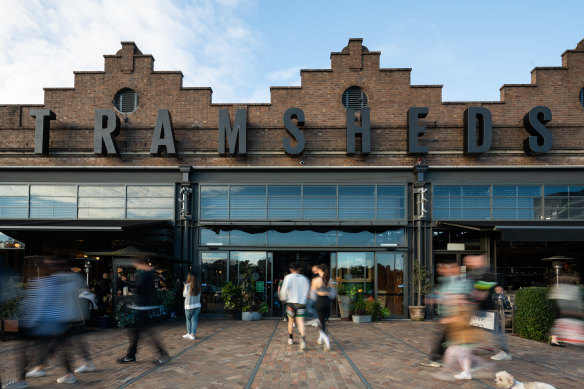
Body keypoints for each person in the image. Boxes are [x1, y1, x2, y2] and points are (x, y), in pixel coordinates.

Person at [117, 259, 170, 364]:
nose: (136, 267)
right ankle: (131, 355)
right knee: (136, 332)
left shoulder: (147, 274)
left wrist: (125, 281)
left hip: (144, 308)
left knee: (146, 333)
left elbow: (139, 287)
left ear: (141, 264)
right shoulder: (149, 274)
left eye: (137, 265)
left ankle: (163, 354)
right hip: (143, 307)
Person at [464, 254, 512, 361]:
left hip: (483, 308)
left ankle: (505, 352)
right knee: (470, 327)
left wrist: (469, 295)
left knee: (496, 329)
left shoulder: (486, 274)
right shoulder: (475, 273)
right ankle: (470, 349)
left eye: (471, 261)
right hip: (478, 308)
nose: (468, 263)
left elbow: (482, 294)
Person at [279, 262, 310, 350]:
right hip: (301, 304)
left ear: (291, 269)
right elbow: (307, 292)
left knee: (291, 321)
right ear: (300, 269)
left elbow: (284, 290)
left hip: (291, 303)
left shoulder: (288, 277)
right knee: (300, 322)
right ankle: (303, 340)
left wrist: (283, 298)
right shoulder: (304, 279)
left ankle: (290, 339)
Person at [549, 273, 584, 347]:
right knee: (560, 321)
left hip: (561, 304)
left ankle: (554, 340)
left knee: (559, 321)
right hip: (564, 306)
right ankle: (554, 340)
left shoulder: (561, 285)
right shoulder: (570, 286)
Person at [311, 263, 334, 351]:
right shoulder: (330, 280)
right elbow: (333, 293)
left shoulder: (316, 280)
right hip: (327, 302)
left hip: (319, 301)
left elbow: (312, 294)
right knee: (323, 321)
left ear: (320, 270)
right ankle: (320, 339)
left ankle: (327, 341)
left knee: (321, 323)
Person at [182, 272, 202, 340]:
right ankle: (192, 334)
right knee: (194, 320)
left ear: (189, 278)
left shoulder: (187, 285)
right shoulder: (199, 286)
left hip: (189, 306)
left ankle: (189, 333)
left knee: (188, 320)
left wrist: (184, 286)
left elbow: (184, 295)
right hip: (197, 305)